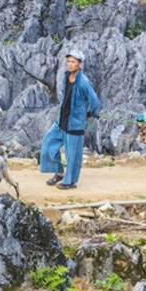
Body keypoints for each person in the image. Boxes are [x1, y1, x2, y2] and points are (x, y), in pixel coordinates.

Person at [40, 49, 101, 190]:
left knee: (73, 155)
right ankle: (60, 172)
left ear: (80, 64)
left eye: (73, 62)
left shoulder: (84, 83)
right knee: (48, 145)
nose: (70, 64)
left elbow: (95, 102)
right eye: (68, 61)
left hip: (75, 124)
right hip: (62, 120)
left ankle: (70, 181)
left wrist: (91, 113)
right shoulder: (67, 77)